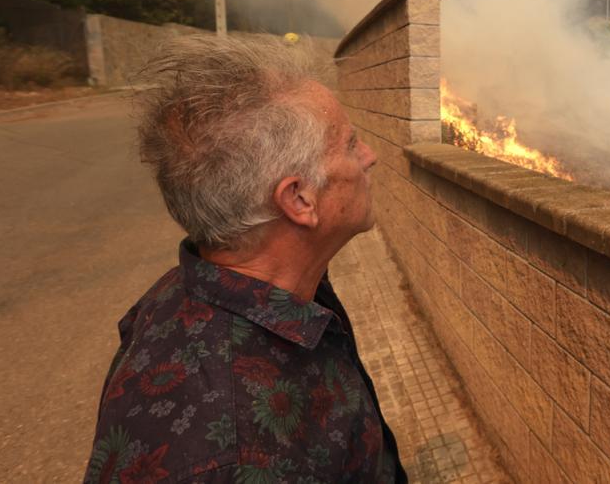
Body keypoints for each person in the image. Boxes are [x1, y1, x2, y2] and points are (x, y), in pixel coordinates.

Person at [83, 36, 406, 483]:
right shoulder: (232, 458)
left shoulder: (213, 290)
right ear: (299, 198)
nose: (371, 157)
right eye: (351, 145)